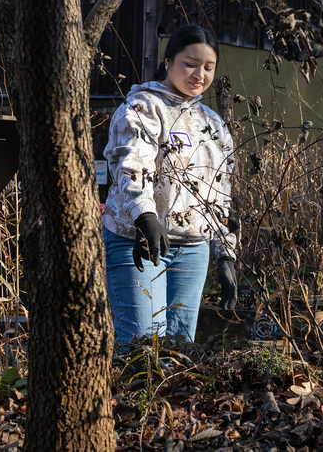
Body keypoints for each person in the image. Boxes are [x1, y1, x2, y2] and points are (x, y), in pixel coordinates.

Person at [101, 24, 238, 343]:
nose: (199, 74)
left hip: (192, 249)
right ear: (168, 61)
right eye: (190, 63)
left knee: (179, 353)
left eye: (208, 67)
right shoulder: (141, 108)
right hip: (139, 241)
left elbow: (220, 190)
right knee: (143, 348)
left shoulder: (212, 123)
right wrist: (145, 219)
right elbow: (131, 164)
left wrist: (225, 253)